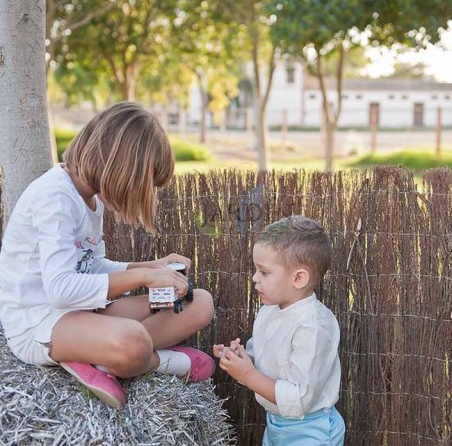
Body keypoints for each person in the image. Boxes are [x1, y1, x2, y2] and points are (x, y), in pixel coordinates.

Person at [0, 102, 215, 409]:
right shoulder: (54, 199)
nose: (141, 194)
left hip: (82, 311)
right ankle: (160, 362)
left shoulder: (88, 197)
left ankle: (101, 357)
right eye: (143, 184)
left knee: (200, 304)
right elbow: (60, 291)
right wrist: (143, 277)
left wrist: (148, 266)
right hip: (39, 323)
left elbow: (90, 265)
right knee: (134, 340)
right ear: (122, 170)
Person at [213, 216, 345, 445]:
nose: (254, 278)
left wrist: (248, 374)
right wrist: (242, 359)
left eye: (264, 272)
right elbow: (265, 360)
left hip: (311, 430)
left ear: (298, 278)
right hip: (277, 424)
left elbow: (300, 398)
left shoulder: (313, 326)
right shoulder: (269, 311)